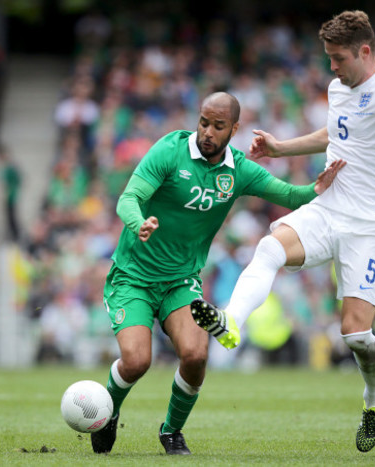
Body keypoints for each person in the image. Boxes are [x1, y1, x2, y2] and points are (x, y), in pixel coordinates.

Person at [191, 10, 375, 453]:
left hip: (371, 225)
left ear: (365, 51)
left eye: (338, 58)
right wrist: (281, 149)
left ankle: (374, 401)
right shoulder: (337, 88)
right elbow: (338, 134)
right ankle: (231, 323)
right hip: (329, 208)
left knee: (356, 337)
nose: (332, 67)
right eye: (328, 58)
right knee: (269, 247)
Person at [90, 92, 344, 456]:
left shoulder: (238, 170)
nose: (207, 132)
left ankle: (171, 432)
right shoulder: (170, 150)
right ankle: (109, 411)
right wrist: (138, 221)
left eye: (218, 126)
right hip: (134, 276)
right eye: (203, 122)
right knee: (137, 361)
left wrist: (316, 189)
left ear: (234, 129)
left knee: (196, 355)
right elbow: (128, 198)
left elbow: (287, 195)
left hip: (181, 281)